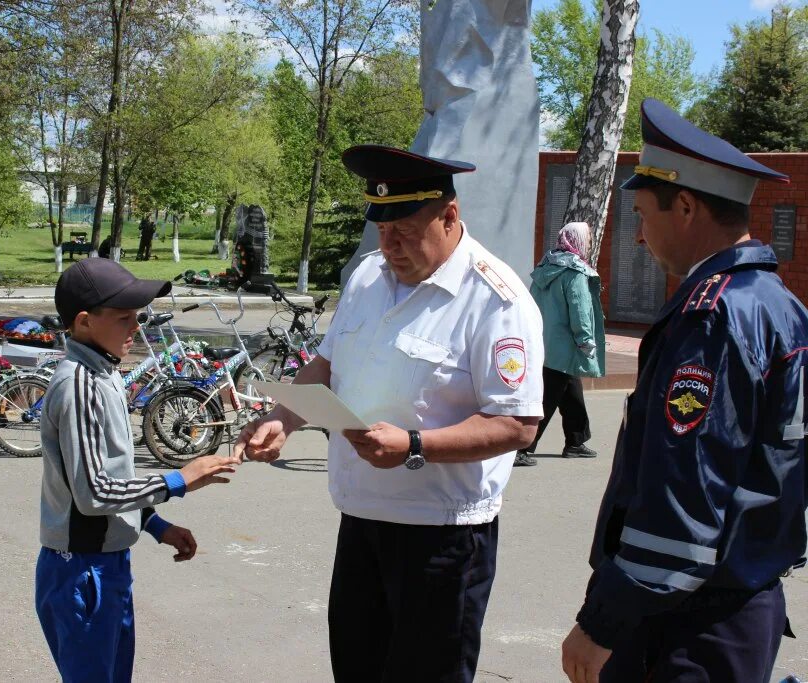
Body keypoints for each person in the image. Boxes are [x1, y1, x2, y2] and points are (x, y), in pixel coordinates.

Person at [234, 144, 545, 682]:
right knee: (357, 670)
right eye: (381, 230)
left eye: (404, 230)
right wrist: (282, 418)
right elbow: (327, 365)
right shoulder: (367, 279)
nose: (390, 245)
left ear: (450, 216)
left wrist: (415, 446)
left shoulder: (496, 299)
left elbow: (517, 423)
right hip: (362, 522)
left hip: (442, 537)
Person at [561, 98, 808, 682]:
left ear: (688, 205)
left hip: (683, 621)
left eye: (643, 214)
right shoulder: (780, 306)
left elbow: (685, 493)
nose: (640, 238)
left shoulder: (711, 317)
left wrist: (603, 622)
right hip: (740, 601)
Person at [35, 258, 238, 683]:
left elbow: (112, 476)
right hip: (81, 572)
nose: (136, 328)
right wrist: (180, 479)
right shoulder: (81, 386)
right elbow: (94, 494)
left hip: (105, 564)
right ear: (86, 322)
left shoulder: (102, 372)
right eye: (125, 317)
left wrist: (156, 524)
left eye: (139, 317)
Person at [515, 221, 605, 467]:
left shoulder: (545, 267)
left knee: (571, 390)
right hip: (566, 345)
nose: (591, 242)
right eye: (588, 238)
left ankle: (576, 440)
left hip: (544, 342)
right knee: (548, 395)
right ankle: (522, 447)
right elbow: (580, 309)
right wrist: (585, 339)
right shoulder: (575, 272)